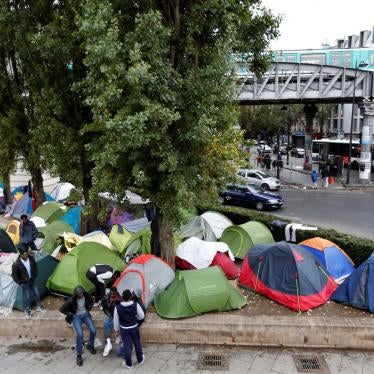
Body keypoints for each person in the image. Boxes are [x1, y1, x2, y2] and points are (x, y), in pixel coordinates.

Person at [60, 285, 96, 367]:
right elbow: (61, 309)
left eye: (81, 293)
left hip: (85, 314)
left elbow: (92, 301)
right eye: (79, 294)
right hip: (76, 316)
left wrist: (88, 309)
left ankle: (90, 345)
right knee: (80, 334)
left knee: (93, 330)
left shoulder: (87, 296)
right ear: (76, 294)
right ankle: (79, 355)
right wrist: (69, 314)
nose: (81, 295)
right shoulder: (71, 300)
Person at [11, 245, 47, 319]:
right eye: (24, 254)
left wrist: (35, 276)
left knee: (36, 293)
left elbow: (35, 267)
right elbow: (14, 276)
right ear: (20, 255)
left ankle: (39, 306)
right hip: (24, 283)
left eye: (26, 253)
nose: (26, 255)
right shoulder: (16, 263)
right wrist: (20, 283)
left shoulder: (31, 258)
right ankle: (27, 311)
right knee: (26, 297)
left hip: (32, 280)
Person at [114, 289, 145, 369]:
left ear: (122, 297)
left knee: (126, 346)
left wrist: (116, 330)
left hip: (124, 329)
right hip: (134, 327)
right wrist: (135, 319)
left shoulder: (117, 307)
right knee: (137, 343)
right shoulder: (135, 304)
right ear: (130, 296)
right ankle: (140, 360)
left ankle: (128, 364)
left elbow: (116, 321)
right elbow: (141, 316)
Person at [101, 286, 121, 357]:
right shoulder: (106, 298)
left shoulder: (119, 298)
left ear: (116, 293)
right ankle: (108, 343)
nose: (112, 295)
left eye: (114, 294)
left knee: (121, 323)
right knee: (106, 322)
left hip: (117, 314)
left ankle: (119, 338)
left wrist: (116, 302)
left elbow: (120, 308)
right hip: (109, 313)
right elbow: (104, 308)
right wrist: (109, 314)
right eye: (111, 293)